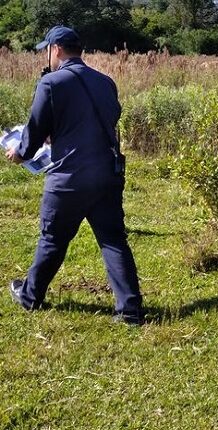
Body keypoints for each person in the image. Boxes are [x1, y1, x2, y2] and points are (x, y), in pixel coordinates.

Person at [5, 26, 145, 325]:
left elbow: (33, 132)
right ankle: (130, 310)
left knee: (52, 239)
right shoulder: (106, 82)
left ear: (55, 49)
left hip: (69, 178)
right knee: (113, 241)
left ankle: (29, 296)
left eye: (47, 50)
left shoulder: (51, 83)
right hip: (107, 174)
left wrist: (20, 154)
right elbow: (108, 119)